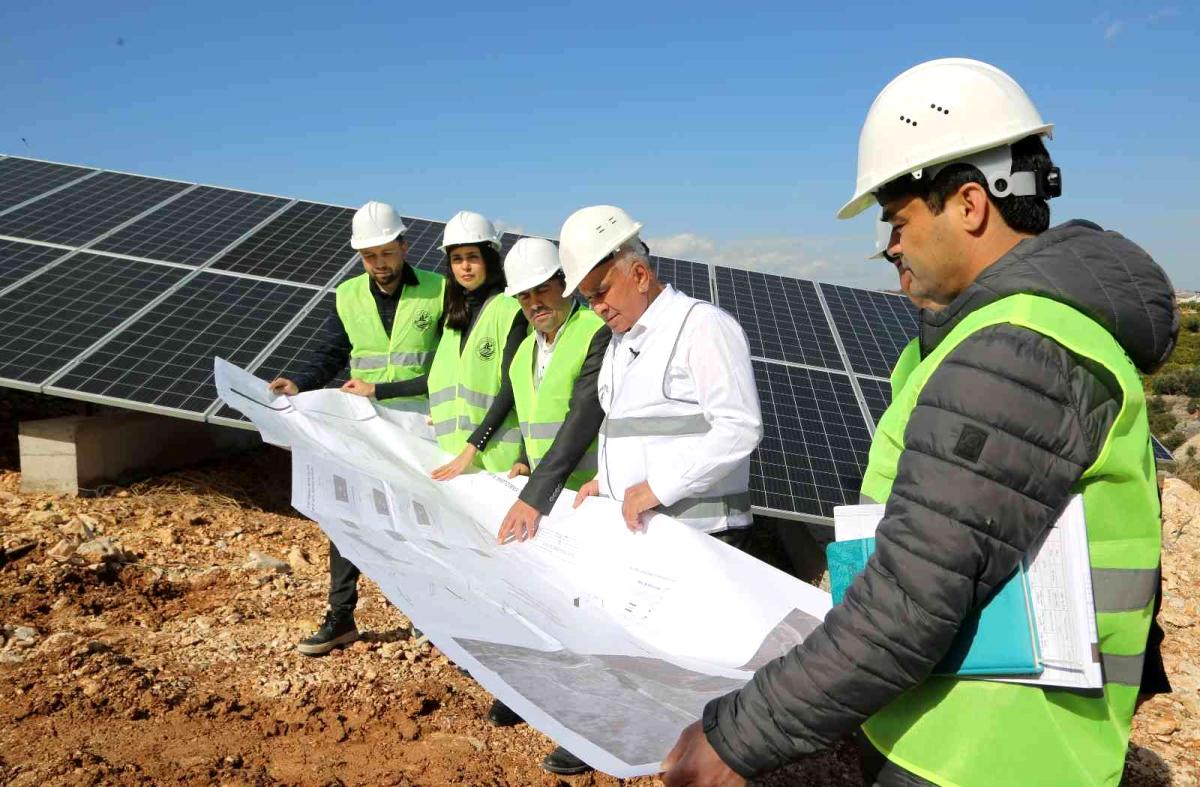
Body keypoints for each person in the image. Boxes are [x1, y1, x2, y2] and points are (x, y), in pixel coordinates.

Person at [662, 58, 1177, 787]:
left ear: (969, 203)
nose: (888, 244)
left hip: (985, 756)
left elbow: (912, 598)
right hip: (957, 732)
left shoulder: (1016, 349)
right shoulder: (1000, 334)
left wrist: (737, 738)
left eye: (898, 220)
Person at [268, 201, 445, 656]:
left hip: (419, 427)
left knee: (417, 520)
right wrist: (299, 381)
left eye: (386, 253)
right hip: (364, 426)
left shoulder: (439, 291)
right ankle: (341, 617)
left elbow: (449, 365)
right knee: (348, 515)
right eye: (369, 257)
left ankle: (426, 615)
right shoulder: (347, 295)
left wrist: (385, 389)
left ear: (404, 246)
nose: (379, 264)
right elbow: (330, 350)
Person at [563, 205, 763, 543]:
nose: (596, 307)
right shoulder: (621, 342)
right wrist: (606, 481)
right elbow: (638, 430)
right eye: (588, 299)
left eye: (601, 292)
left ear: (640, 275)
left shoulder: (702, 326)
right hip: (652, 536)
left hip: (706, 539)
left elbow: (740, 427)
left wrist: (658, 488)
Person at [486, 237, 611, 776]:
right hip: (544, 500)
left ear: (564, 284)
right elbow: (529, 415)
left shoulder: (595, 333)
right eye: (524, 296)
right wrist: (519, 461)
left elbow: (584, 417)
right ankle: (530, 695)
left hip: (586, 501)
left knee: (589, 615)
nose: (535, 302)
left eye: (543, 289)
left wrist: (535, 493)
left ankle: (588, 727)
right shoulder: (524, 349)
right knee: (537, 604)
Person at [426, 211, 528, 479]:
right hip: (452, 454)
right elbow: (440, 380)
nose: (465, 267)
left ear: (489, 260)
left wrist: (473, 446)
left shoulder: (510, 309)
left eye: (473, 257)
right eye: (457, 259)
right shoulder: (454, 316)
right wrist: (377, 390)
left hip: (496, 460)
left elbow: (512, 388)